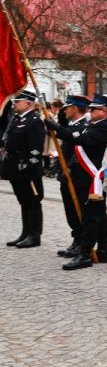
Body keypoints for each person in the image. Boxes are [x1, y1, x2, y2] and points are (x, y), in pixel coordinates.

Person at [46, 94, 107, 270]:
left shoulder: (104, 127)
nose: (90, 111)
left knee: (92, 217)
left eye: (94, 109)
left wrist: (55, 127)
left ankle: (85, 254)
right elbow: (76, 136)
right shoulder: (95, 125)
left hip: (93, 179)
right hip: (85, 177)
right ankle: (102, 252)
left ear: (105, 111)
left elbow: (81, 140)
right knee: (97, 215)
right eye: (90, 108)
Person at [1, 90, 46, 249]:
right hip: (14, 166)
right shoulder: (16, 119)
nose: (14, 104)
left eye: (17, 101)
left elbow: (36, 147)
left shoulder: (34, 120)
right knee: (23, 200)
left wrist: (30, 166)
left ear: (28, 103)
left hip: (27, 167)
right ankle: (25, 232)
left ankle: (34, 235)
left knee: (33, 201)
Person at [54, 94, 92, 258]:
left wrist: (69, 167)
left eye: (67, 108)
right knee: (70, 210)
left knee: (79, 211)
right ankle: (76, 240)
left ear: (75, 108)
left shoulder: (84, 126)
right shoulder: (71, 125)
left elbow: (79, 151)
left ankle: (82, 243)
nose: (64, 111)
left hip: (77, 176)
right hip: (66, 175)